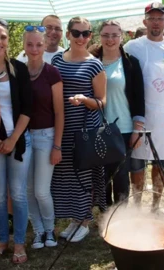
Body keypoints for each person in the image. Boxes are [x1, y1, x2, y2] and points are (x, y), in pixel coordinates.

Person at [124, 2, 164, 211]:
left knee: (161, 163)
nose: (156, 23)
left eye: (160, 19)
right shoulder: (132, 47)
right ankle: (135, 207)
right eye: (152, 18)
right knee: (137, 164)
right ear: (145, 21)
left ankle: (156, 205)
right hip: (139, 116)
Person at [0, 18, 32, 264]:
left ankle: (19, 243)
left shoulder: (18, 69)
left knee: (19, 194)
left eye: (2, 37)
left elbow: (28, 109)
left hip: (19, 140)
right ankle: (2, 240)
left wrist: (12, 138)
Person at [51, 16, 107, 242]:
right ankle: (74, 219)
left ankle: (84, 221)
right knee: (65, 176)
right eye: (76, 33)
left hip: (85, 130)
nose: (81, 38)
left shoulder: (95, 64)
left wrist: (85, 99)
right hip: (60, 128)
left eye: (86, 33)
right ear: (68, 34)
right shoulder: (56, 59)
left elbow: (102, 101)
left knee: (83, 176)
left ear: (90, 36)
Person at [89, 20, 145, 206]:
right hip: (97, 129)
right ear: (100, 37)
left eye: (114, 35)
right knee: (101, 177)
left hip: (123, 129)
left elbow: (139, 98)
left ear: (121, 37)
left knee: (121, 177)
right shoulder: (91, 62)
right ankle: (106, 217)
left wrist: (138, 129)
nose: (110, 39)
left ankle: (121, 219)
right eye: (106, 35)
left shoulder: (130, 63)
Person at [23, 26, 64, 249]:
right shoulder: (18, 71)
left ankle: (50, 229)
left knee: (41, 190)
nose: (35, 48)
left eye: (39, 44)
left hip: (46, 137)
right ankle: (38, 231)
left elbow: (59, 111)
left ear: (44, 44)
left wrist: (57, 145)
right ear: (24, 45)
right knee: (27, 190)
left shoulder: (52, 73)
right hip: (23, 137)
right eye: (30, 44)